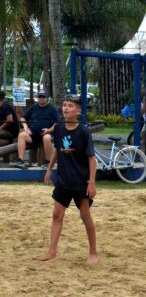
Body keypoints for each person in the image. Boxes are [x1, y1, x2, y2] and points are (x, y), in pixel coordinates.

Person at [34, 95, 98, 265]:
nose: (66, 108)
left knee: (85, 216)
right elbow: (57, 150)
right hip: (63, 179)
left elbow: (92, 159)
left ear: (78, 111)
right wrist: (49, 169)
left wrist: (92, 182)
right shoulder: (59, 127)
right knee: (57, 215)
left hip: (80, 181)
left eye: (70, 106)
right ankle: (51, 251)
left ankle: (93, 252)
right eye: (64, 105)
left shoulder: (84, 132)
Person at [14, 90, 60, 169]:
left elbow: (57, 123)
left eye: (43, 97)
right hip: (33, 135)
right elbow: (22, 118)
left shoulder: (52, 109)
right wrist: (26, 127)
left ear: (47, 98)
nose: (41, 98)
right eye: (40, 97)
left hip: (46, 133)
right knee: (21, 135)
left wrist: (49, 130)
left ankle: (47, 161)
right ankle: (20, 160)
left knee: (47, 138)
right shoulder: (34, 108)